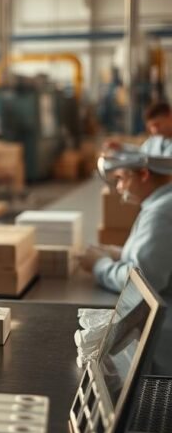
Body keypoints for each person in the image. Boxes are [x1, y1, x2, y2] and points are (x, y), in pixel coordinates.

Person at [78, 152, 172, 301]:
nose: (119, 187)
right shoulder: (162, 203)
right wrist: (120, 254)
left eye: (121, 178)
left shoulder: (160, 213)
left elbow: (143, 283)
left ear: (143, 175)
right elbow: (162, 257)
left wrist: (99, 265)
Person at [104, 101, 172, 157]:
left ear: (170, 116)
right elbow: (141, 153)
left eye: (157, 125)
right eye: (151, 127)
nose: (154, 131)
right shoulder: (154, 141)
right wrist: (120, 148)